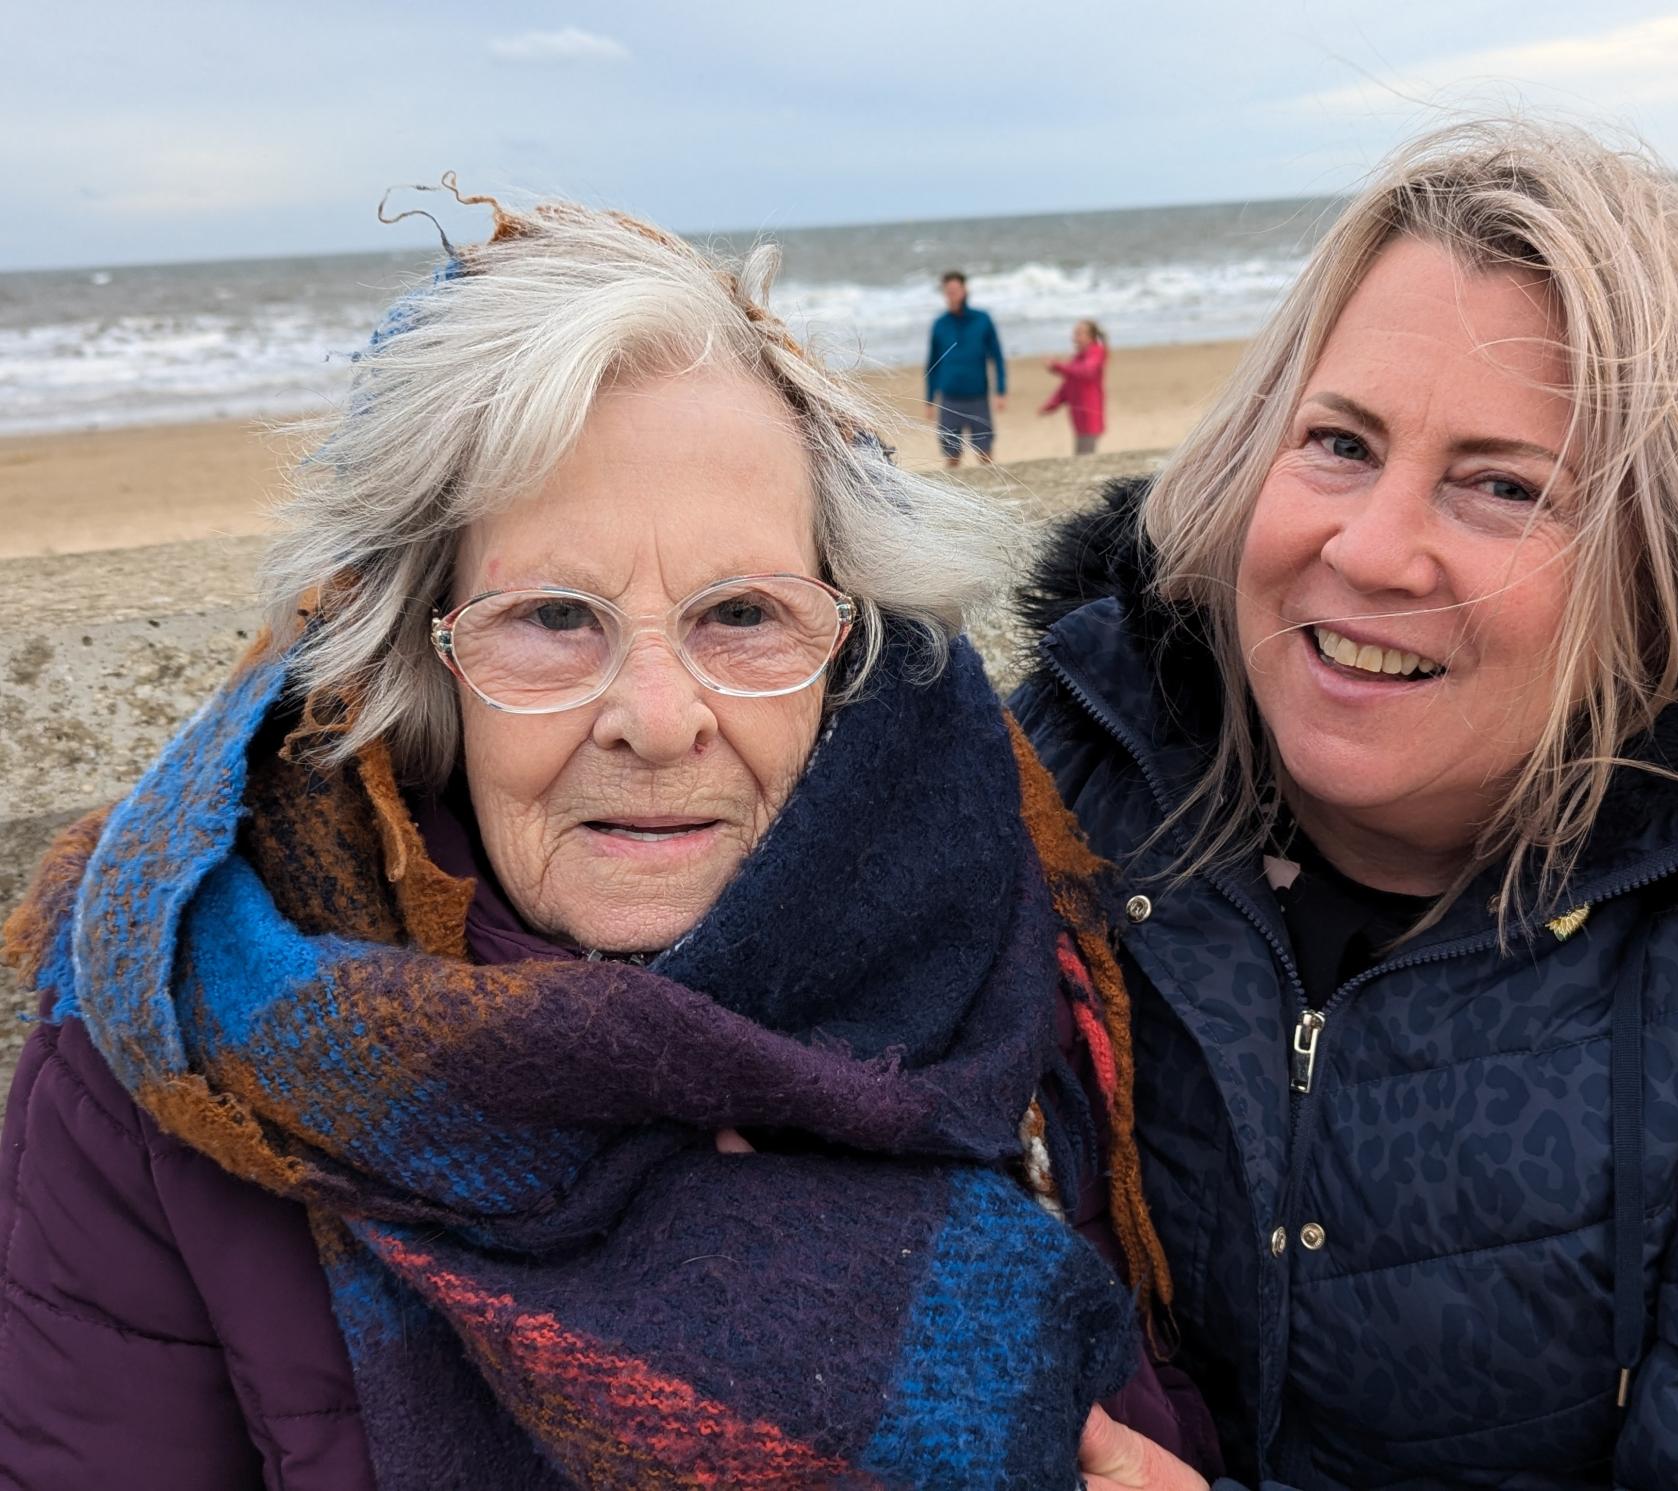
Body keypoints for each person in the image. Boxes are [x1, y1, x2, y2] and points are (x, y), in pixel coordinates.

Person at [0, 196, 1216, 1489]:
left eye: (742, 611)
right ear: (427, 659)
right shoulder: (172, 1064)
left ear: (845, 648)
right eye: (553, 617)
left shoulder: (989, 953)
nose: (656, 717)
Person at [1015, 119, 1678, 1490]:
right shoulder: (1079, 761)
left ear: (1676, 568)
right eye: (1340, 442)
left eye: (1502, 484)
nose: (1368, 546)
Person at [924, 269, 1007, 467]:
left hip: (978, 397)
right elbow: (932, 363)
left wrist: (1001, 391)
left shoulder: (982, 320)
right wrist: (929, 399)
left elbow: (997, 357)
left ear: (964, 290)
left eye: (956, 290)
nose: (952, 295)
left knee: (985, 452)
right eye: (948, 291)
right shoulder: (939, 325)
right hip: (949, 399)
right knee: (952, 455)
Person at [1041, 319, 1108, 456]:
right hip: (1078, 417)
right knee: (1080, 454)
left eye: (1079, 334)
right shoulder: (1077, 358)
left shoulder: (1097, 352)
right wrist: (1051, 405)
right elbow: (1066, 387)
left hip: (1090, 415)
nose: (1074, 338)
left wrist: (1057, 366)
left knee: (1086, 456)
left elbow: (1085, 371)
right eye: (1074, 334)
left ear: (1091, 336)